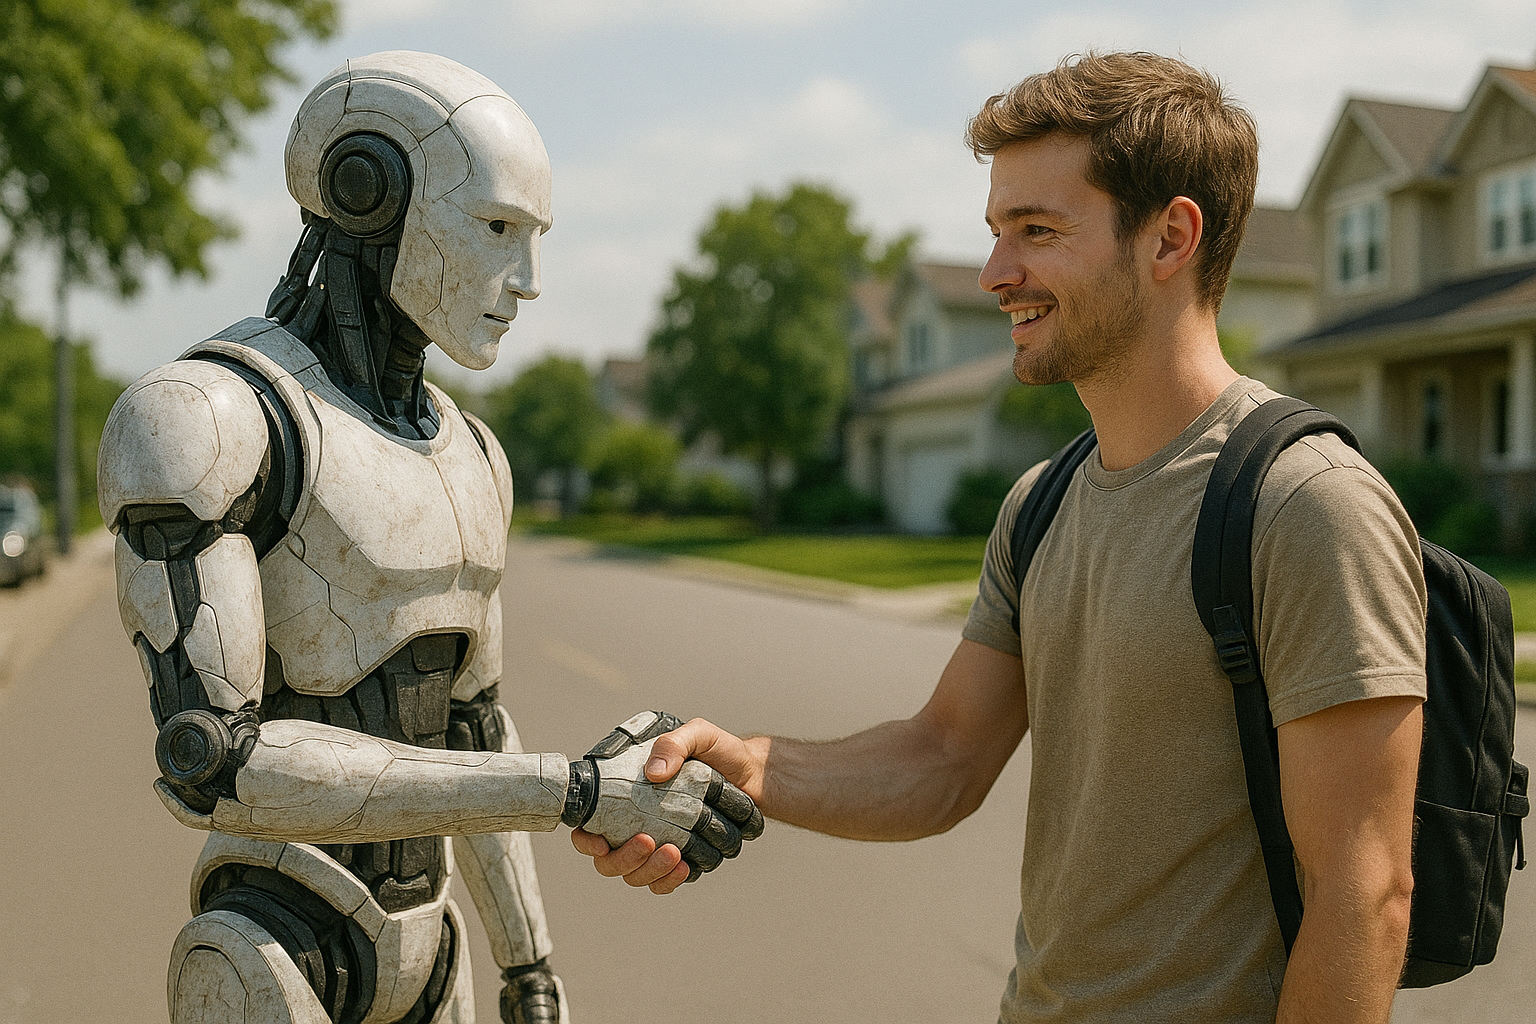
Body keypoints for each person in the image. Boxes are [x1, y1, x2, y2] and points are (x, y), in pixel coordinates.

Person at [575, 51, 1427, 1024]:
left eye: (1036, 231)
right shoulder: (1042, 503)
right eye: (993, 232)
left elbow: (1365, 893)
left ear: (1169, 238)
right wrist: (746, 763)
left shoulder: (1306, 505)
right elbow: (943, 756)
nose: (994, 275)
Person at [97, 51, 757, 1024]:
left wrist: (529, 966)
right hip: (277, 934)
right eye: (496, 230)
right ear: (369, 192)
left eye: (534, 239)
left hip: (433, 943)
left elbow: (474, 725)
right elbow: (219, 764)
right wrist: (579, 791)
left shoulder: (475, 454)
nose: (526, 281)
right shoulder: (207, 421)